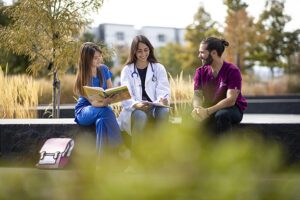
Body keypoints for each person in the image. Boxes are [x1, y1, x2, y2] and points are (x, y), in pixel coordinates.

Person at [118, 35, 170, 145]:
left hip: (155, 106)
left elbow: (163, 89)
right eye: (139, 51)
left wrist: (161, 99)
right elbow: (125, 94)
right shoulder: (127, 70)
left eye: (146, 50)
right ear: (134, 52)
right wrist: (135, 104)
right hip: (135, 109)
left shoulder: (158, 68)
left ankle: (163, 150)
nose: (143, 54)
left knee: (164, 112)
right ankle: (137, 156)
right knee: (140, 116)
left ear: (150, 50)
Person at [73, 42, 123, 154]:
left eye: (99, 56)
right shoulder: (83, 77)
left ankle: (100, 165)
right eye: (95, 58)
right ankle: (121, 148)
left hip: (101, 109)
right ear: (87, 59)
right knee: (106, 111)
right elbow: (94, 103)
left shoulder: (104, 69)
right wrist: (105, 103)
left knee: (101, 122)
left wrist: (115, 95)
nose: (99, 59)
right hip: (84, 111)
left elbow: (110, 89)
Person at [192, 37, 247, 135]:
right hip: (209, 107)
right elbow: (197, 95)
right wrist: (197, 108)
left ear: (213, 53)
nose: (199, 55)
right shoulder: (200, 72)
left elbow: (231, 100)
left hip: (231, 109)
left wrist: (207, 112)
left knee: (222, 115)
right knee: (188, 116)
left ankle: (226, 149)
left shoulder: (232, 70)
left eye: (202, 52)